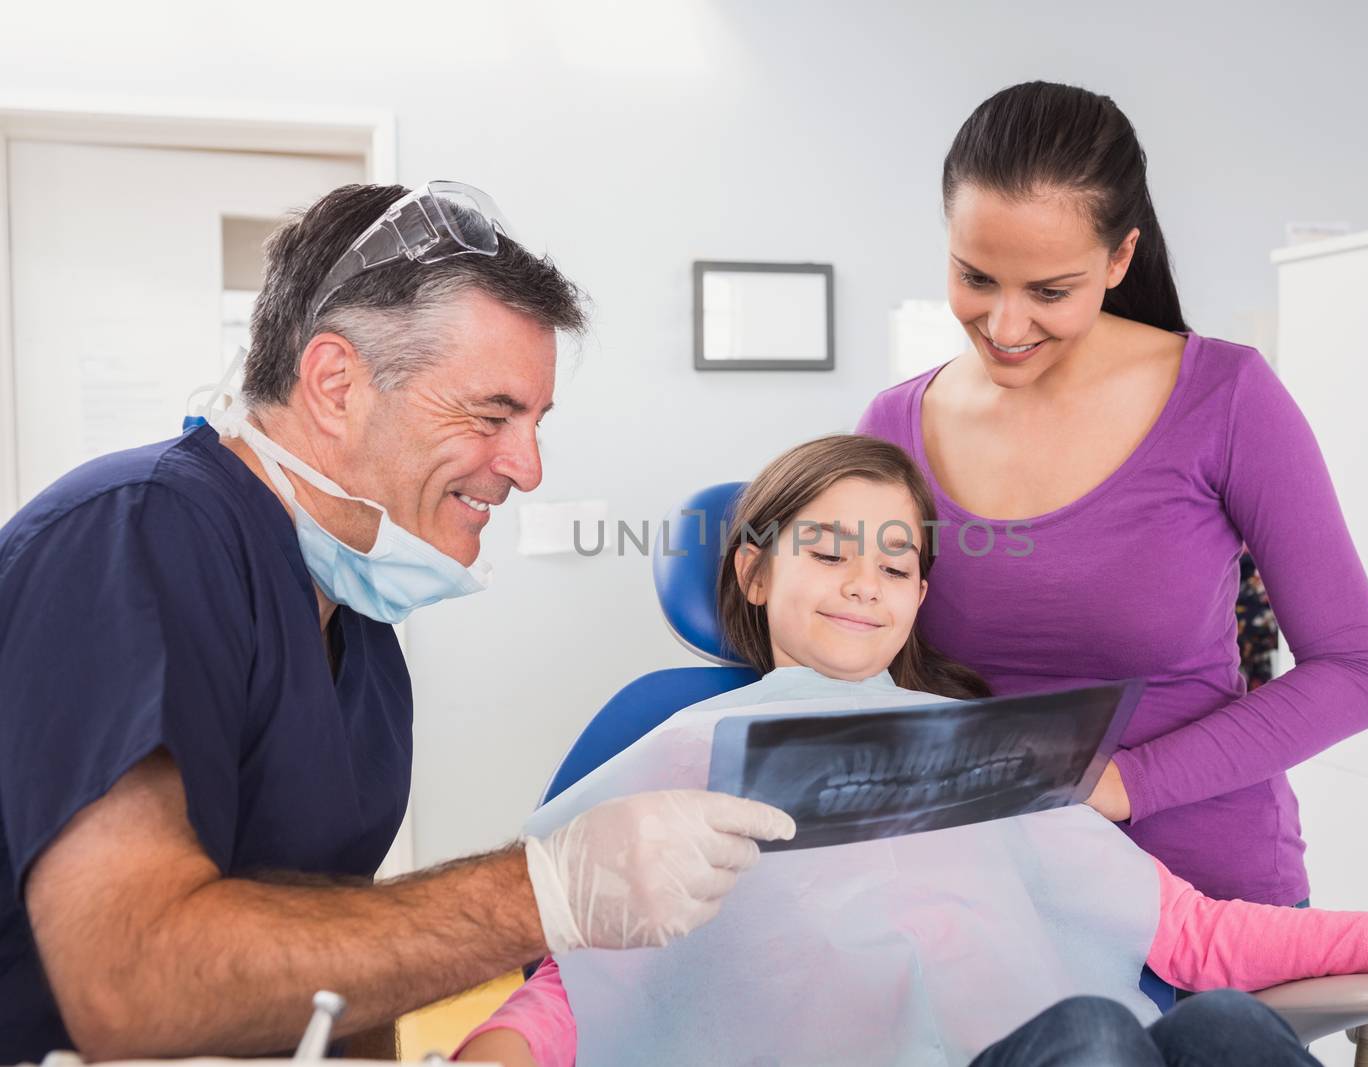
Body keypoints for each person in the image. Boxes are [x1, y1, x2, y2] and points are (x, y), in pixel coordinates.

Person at [0, 181, 792, 1063]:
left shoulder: (364, 635)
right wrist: (544, 890)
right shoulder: (136, 534)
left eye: (535, 422)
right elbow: (129, 982)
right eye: (493, 414)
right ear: (337, 384)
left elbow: (339, 972)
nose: (527, 467)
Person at [454, 436, 1368, 1066]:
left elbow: (1190, 935)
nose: (864, 580)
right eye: (827, 548)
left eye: (895, 560)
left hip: (1051, 1046)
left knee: (1226, 1026)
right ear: (756, 571)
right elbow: (589, 980)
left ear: (919, 597)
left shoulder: (985, 753)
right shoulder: (690, 749)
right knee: (1100, 1029)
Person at [857, 82, 1368, 910]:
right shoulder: (893, 424)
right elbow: (868, 663)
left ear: (1118, 259)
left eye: (1048, 291)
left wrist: (1121, 782)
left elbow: (1358, 670)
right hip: (980, 895)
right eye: (976, 277)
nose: (1004, 326)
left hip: (1206, 889)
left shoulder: (1227, 398)